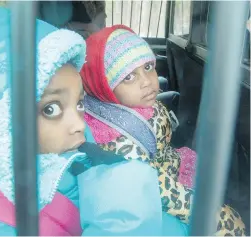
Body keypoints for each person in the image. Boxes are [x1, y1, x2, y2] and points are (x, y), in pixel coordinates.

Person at [0, 6, 191, 236]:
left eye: (80, 103)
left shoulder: (74, 162)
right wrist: (122, 218)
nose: (79, 124)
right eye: (50, 109)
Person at [81, 24, 246, 236]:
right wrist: (217, 216)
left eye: (148, 67)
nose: (147, 82)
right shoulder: (118, 143)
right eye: (129, 77)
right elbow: (162, 193)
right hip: (159, 193)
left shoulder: (131, 107)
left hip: (169, 166)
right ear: (105, 87)